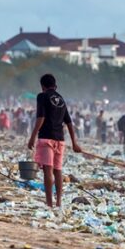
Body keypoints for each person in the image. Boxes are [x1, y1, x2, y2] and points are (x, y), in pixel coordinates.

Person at [27, 74, 82, 208]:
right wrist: (74, 143)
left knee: (48, 170)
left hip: (46, 138)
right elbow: (69, 122)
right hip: (60, 140)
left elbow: (41, 118)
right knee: (58, 171)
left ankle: (49, 203)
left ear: (42, 86)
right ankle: (58, 202)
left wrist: (32, 137)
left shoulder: (42, 96)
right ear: (55, 86)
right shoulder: (61, 99)